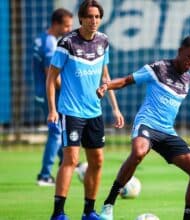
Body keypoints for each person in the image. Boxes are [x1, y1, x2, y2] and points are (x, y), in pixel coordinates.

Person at [96, 36, 190, 220]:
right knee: (139, 152)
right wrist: (106, 86)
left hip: (167, 132)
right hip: (147, 124)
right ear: (180, 51)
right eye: (189, 57)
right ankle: (108, 205)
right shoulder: (158, 68)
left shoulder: (188, 79)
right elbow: (125, 80)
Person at [46, 1, 124, 219]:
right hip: (70, 112)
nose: (94, 21)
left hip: (94, 112)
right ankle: (58, 213)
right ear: (81, 18)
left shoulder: (103, 41)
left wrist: (115, 109)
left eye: (97, 16)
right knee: (70, 159)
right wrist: (52, 109)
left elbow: (105, 77)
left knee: (97, 161)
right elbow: (51, 78)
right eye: (90, 16)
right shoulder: (67, 42)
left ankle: (89, 211)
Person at [33, 8, 73, 187]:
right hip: (48, 94)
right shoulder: (50, 43)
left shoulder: (42, 38)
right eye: (66, 26)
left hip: (40, 92)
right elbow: (52, 75)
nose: (68, 29)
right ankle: (44, 175)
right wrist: (69, 90)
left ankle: (70, 163)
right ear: (56, 24)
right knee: (56, 132)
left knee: (58, 131)